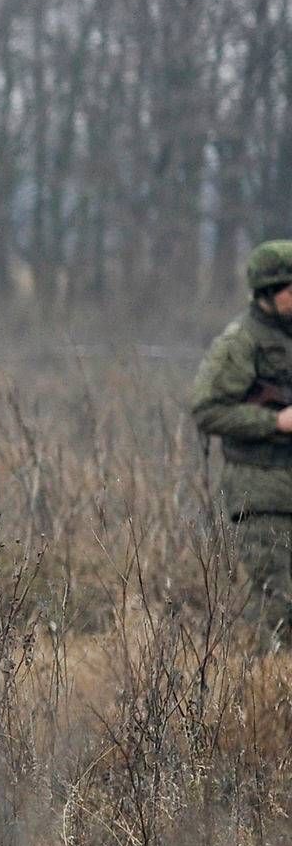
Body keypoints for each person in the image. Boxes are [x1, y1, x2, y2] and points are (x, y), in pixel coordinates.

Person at [190, 239, 292, 645]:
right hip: (262, 498)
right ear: (269, 291)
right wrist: (275, 422)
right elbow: (208, 409)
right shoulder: (240, 342)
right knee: (280, 610)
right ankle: (272, 697)